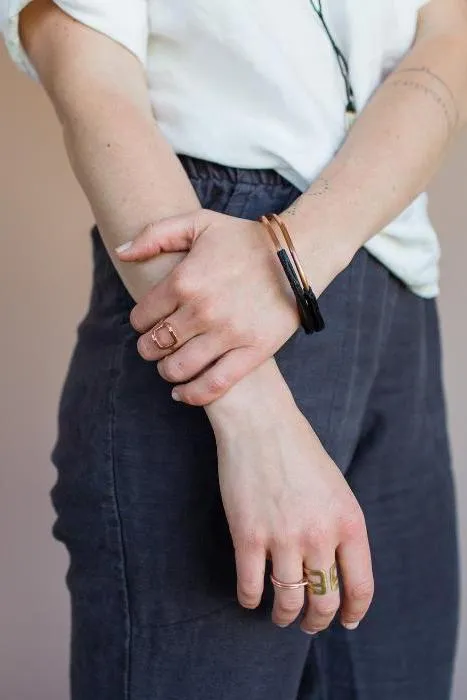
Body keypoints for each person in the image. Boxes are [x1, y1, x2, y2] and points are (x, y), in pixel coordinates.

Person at [1, 0, 462, 697]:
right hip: (205, 264)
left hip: (386, 273)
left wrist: (300, 250)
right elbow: (86, 64)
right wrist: (254, 416)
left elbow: (448, 36)